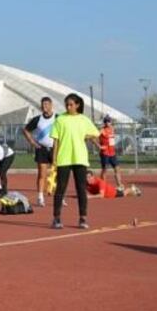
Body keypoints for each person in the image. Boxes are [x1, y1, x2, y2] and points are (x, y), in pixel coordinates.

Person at [50, 93, 100, 230]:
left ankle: (82, 218)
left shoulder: (84, 119)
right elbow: (56, 140)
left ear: (77, 105)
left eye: (71, 104)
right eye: (67, 104)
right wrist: (54, 159)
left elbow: (96, 133)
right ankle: (56, 218)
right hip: (64, 158)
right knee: (60, 188)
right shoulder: (60, 119)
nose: (68, 106)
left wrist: (84, 136)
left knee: (81, 189)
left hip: (80, 158)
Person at [23, 97, 58, 207]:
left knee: (58, 174)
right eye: (43, 105)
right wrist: (33, 143)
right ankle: (40, 197)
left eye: (47, 104)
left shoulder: (58, 118)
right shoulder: (37, 119)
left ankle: (59, 197)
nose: (44, 107)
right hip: (42, 149)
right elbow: (26, 130)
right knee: (42, 174)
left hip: (55, 149)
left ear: (51, 105)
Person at [97, 116, 125, 190]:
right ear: (104, 122)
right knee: (105, 170)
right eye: (106, 121)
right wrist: (99, 146)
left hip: (112, 153)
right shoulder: (102, 130)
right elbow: (94, 137)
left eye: (108, 121)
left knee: (117, 169)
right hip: (105, 153)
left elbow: (112, 140)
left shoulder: (112, 129)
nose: (107, 123)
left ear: (111, 122)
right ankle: (102, 187)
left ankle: (119, 185)